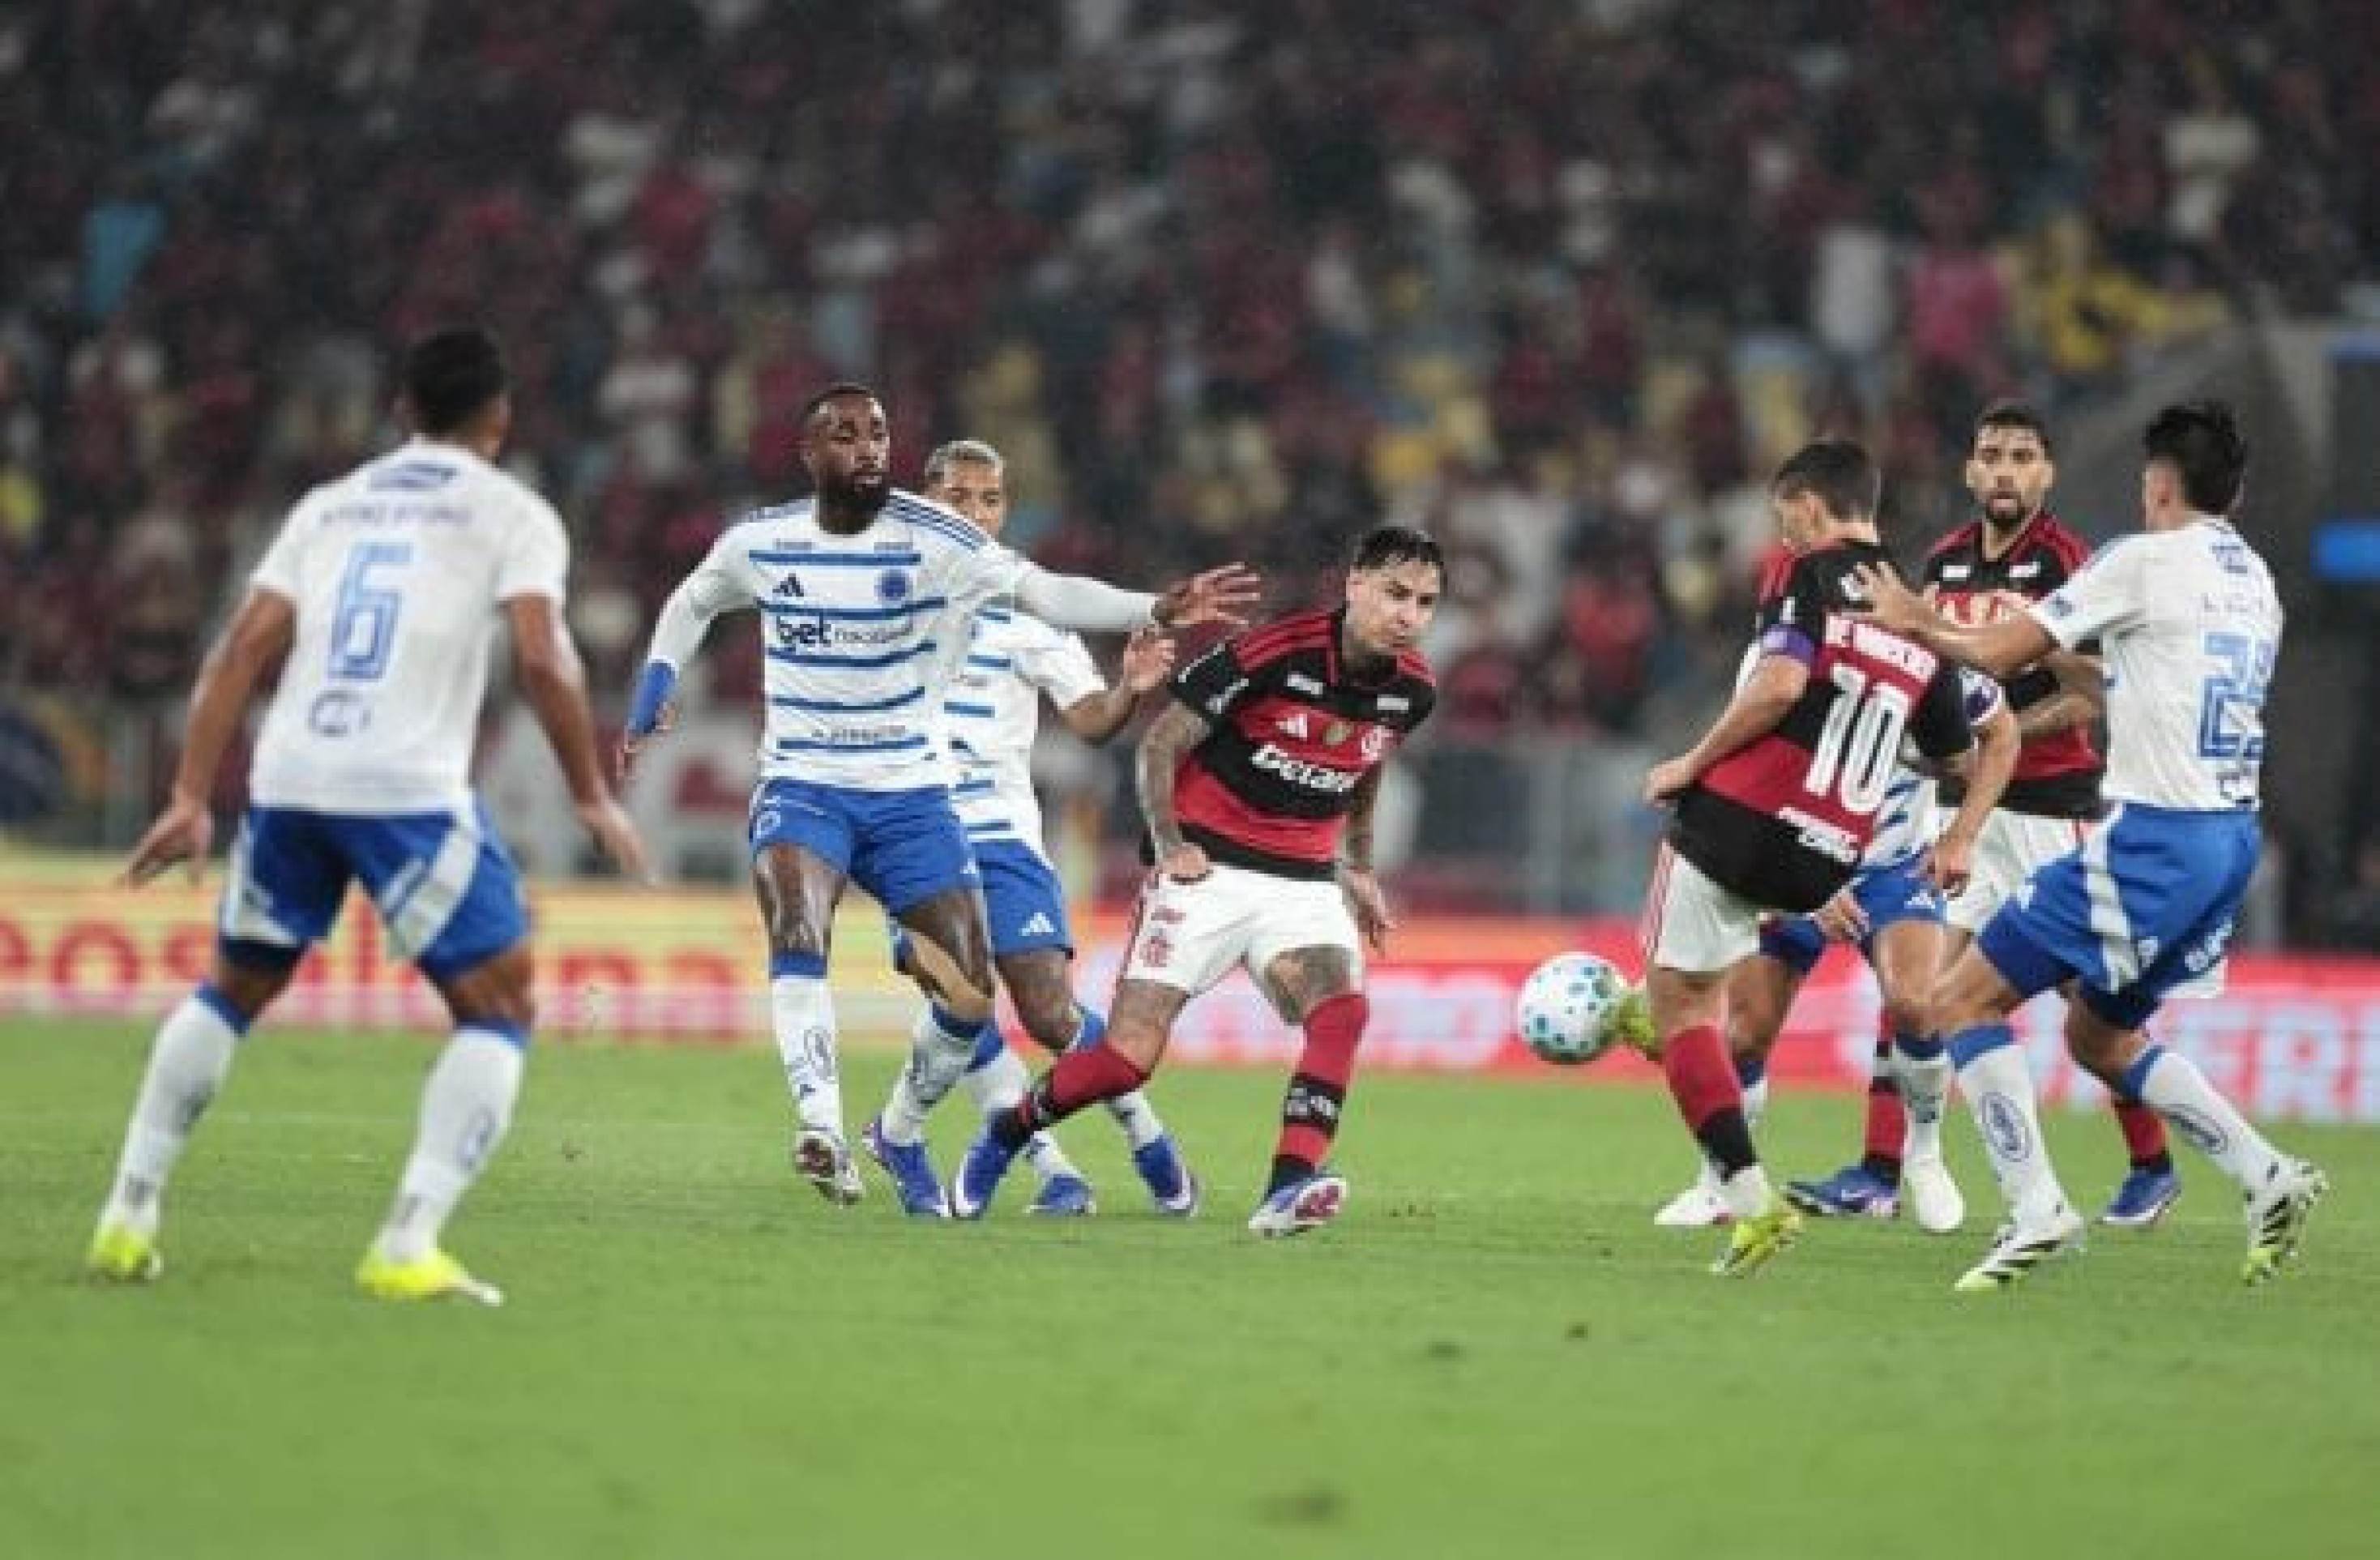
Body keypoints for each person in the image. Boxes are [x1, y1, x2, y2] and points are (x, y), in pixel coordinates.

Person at [87, 327, 649, 1306]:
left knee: (230, 990)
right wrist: (592, 794)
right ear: (500, 416)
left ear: (402, 410)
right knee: (501, 1007)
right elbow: (545, 656)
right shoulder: (513, 513)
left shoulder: (329, 505)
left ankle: (126, 1214)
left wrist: (188, 794)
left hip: (292, 774)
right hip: (405, 788)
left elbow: (240, 648)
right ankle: (406, 1239)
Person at [619, 385, 1256, 1203]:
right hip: (811, 783)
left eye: (878, 432)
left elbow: (1054, 603)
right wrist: (656, 681)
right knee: (801, 927)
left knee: (994, 1001)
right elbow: (694, 598)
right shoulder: (765, 540)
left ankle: (903, 1129)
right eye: (846, 434)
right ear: (810, 453)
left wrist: (1154, 610)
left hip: (938, 811)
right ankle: (833, 1129)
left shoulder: (959, 560)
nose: (867, 446)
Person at [1852, 400, 2327, 1290]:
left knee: (1958, 1001)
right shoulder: (2252, 578)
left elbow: (1994, 654)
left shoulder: (2141, 559)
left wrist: (1915, 618)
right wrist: (2060, 653)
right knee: (2098, 1034)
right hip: (2230, 838)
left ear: (2158, 483)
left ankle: (2036, 1208)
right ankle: (2268, 1174)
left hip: (2153, 837)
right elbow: (2137, 679)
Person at [946, 525, 1443, 1236]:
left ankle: (1286, 1188)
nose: (1409, 615)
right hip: (1208, 869)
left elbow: (1369, 758)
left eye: (1424, 602)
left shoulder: (1413, 690)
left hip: (1302, 882)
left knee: (1342, 1013)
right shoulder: (1277, 650)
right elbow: (1160, 741)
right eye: (1396, 594)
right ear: (1355, 584)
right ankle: (1007, 1131)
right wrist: (1169, 842)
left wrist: (1357, 864)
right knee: (1126, 1060)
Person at [1792, 402, 2183, 1228]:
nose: (2005, 470)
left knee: (2092, 1002)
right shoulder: (1941, 563)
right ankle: (1880, 1170)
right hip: (1963, 812)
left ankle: (2152, 1165)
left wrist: (2001, 733)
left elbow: (2097, 694)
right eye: (1992, 455)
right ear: (1971, 470)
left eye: (2022, 456)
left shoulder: (2071, 564)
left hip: (2048, 811)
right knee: (1916, 989)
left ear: (2047, 472)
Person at [1638, 440, 1983, 1276]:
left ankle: (1868, 1168)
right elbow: (1959, 753)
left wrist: (1690, 762)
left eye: (1782, 514)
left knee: (1694, 1010)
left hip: (1791, 836)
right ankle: (1718, 1179)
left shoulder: (1803, 577)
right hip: (1826, 851)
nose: (1780, 531)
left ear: (1807, 503)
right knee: (1742, 1024)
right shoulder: (1918, 620)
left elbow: (1781, 687)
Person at [859, 438, 1198, 1218]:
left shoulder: (1027, 616)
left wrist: (1129, 687)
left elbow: (1091, 721)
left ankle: (1138, 1134)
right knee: (965, 995)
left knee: (1048, 1009)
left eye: (990, 499)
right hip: (912, 832)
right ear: (925, 501)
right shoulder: (881, 601)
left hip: (1006, 837)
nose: (975, 513)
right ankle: (1052, 1164)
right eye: (956, 497)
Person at [1651, 665, 2018, 1234]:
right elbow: (1751, 763)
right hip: (1793, 860)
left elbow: (2001, 733)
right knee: (1744, 1034)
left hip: (1894, 869)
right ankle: (1719, 1183)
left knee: (1916, 1003)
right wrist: (1808, 883)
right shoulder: (1791, 666)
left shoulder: (1927, 664)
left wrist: (1960, 836)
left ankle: (1924, 1152)